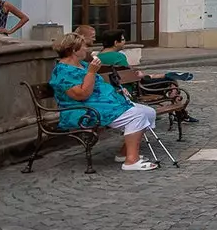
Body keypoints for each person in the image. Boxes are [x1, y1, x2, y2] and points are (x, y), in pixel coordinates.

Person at [48, 32, 160, 171]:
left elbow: (98, 86)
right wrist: (92, 72)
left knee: (148, 112)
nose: (87, 49)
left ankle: (124, 153)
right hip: (82, 109)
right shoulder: (63, 72)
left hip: (101, 104)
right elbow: (82, 95)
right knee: (137, 115)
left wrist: (117, 92)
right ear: (74, 50)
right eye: (84, 47)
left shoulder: (82, 64)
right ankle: (131, 161)